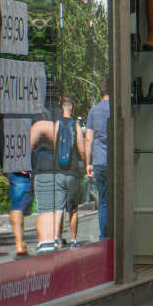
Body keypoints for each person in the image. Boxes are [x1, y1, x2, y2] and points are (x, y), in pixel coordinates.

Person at [31, 96, 87, 254]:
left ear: (61, 107)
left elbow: (56, 146)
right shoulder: (75, 125)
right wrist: (85, 163)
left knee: (58, 207)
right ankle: (74, 239)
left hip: (59, 171)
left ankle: (57, 238)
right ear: (72, 107)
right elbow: (81, 149)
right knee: (73, 208)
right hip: (73, 171)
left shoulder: (56, 124)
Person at [85, 83, 110, 240]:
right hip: (115, 161)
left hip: (100, 161)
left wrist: (89, 163)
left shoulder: (94, 110)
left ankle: (104, 237)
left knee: (104, 201)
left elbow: (88, 138)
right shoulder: (118, 108)